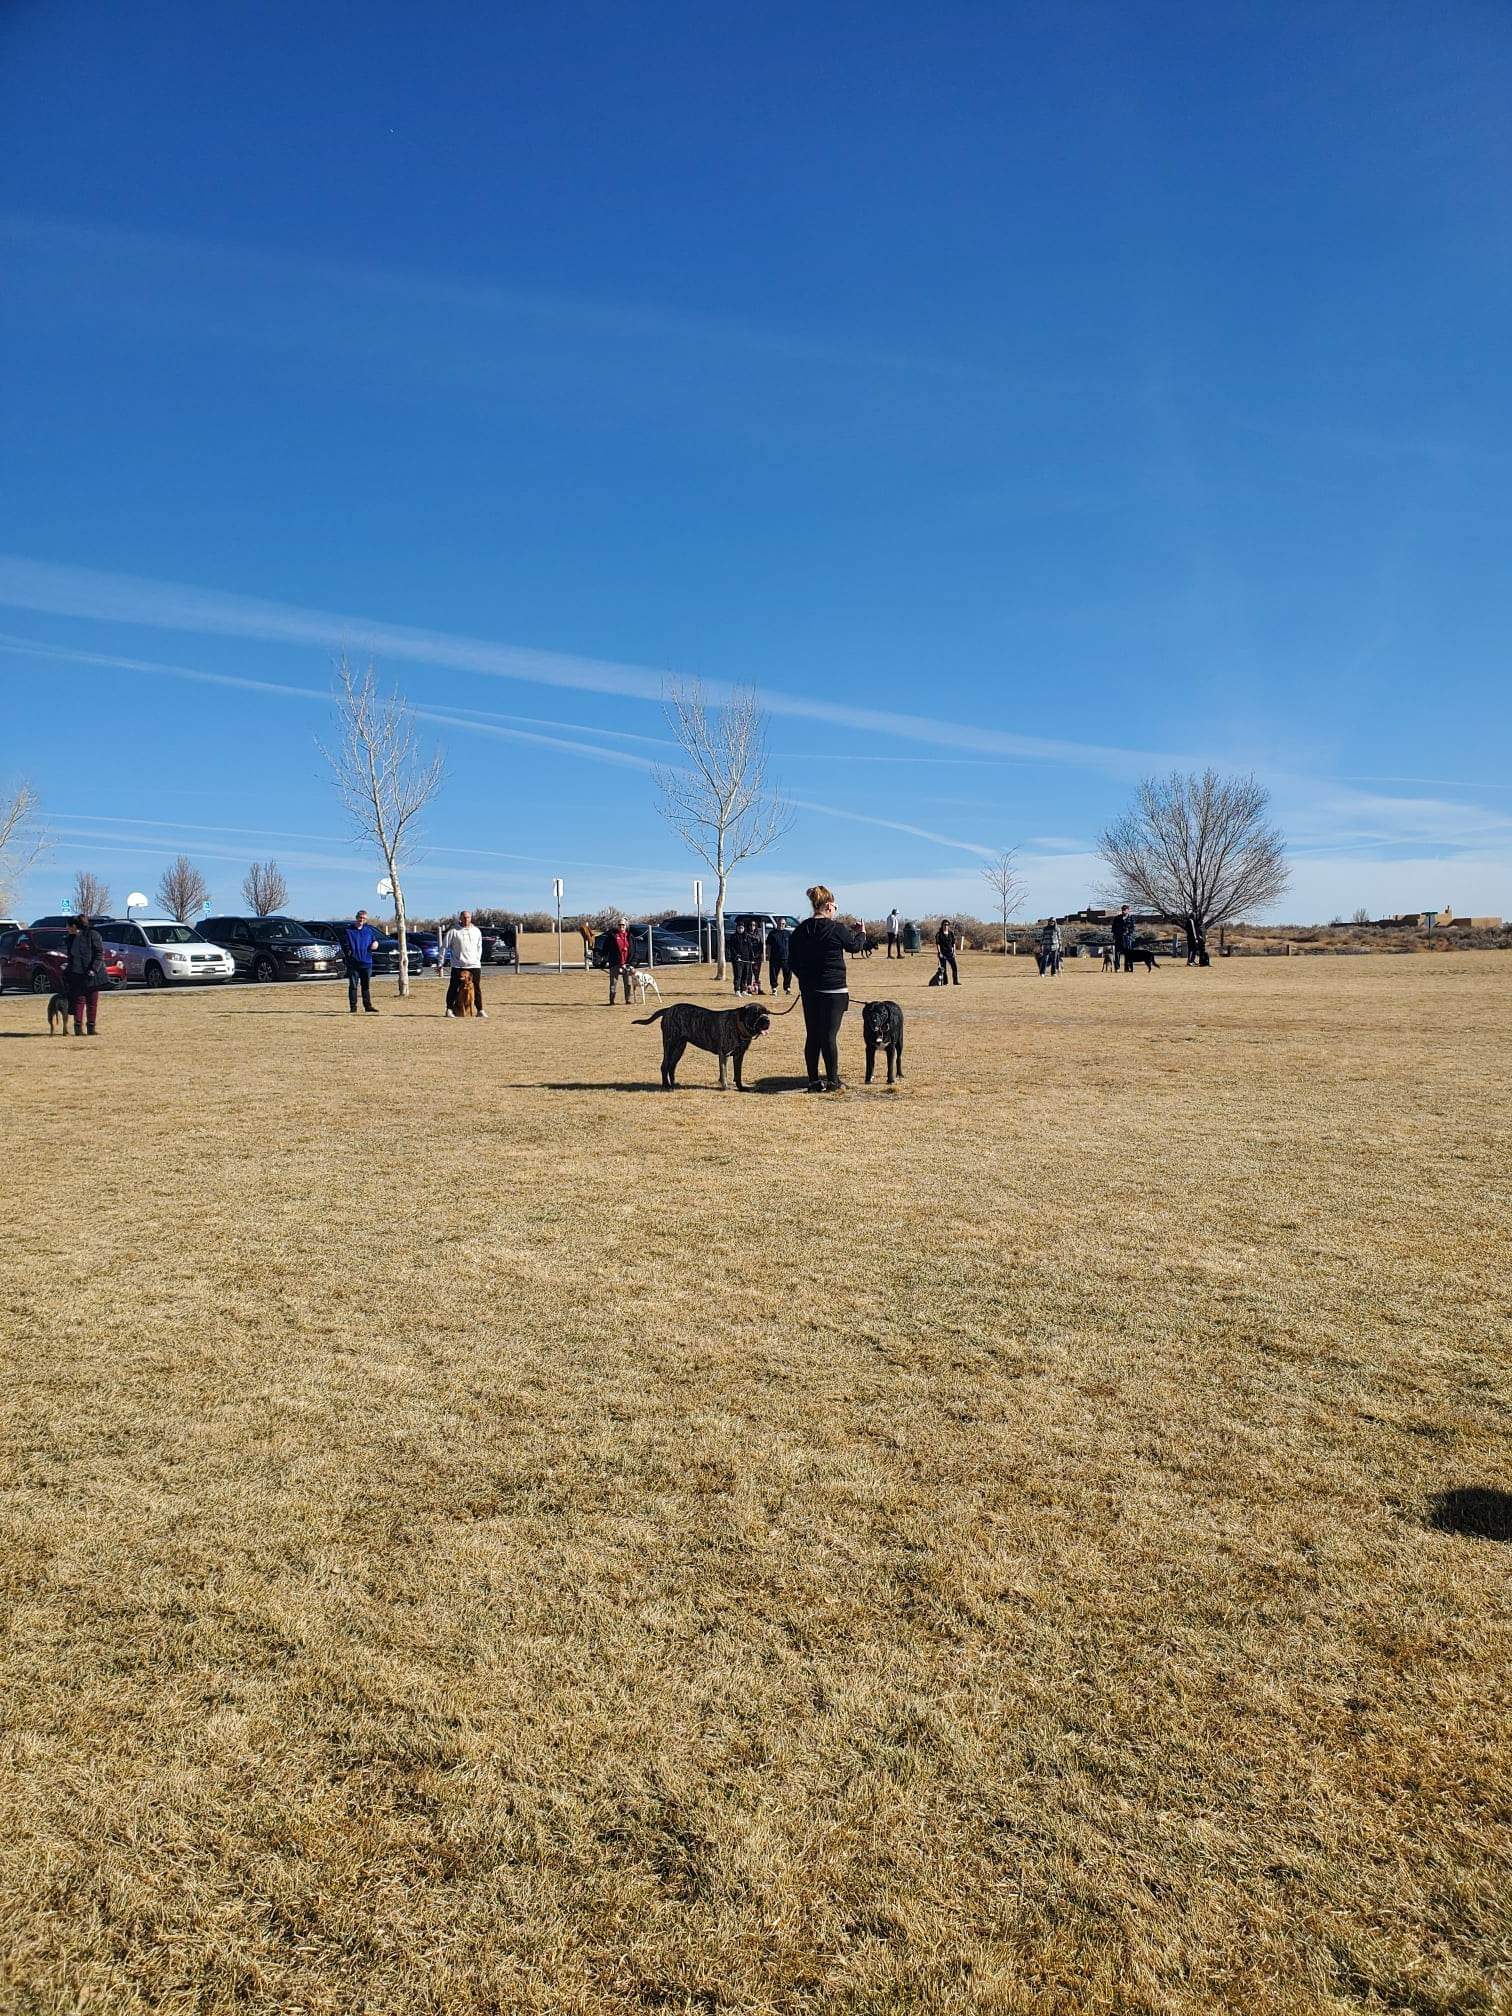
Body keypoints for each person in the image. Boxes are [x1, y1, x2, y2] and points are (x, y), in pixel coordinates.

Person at [788, 883, 867, 1093]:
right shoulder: (837, 928)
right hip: (834, 990)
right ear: (829, 906)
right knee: (829, 1035)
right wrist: (862, 933)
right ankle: (832, 1081)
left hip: (810, 991)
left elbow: (792, 960)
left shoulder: (800, 930)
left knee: (813, 1034)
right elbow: (855, 947)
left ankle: (814, 1080)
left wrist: (804, 979)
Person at [64, 913, 107, 1037]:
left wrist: (93, 969)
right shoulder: (70, 939)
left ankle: (91, 1027)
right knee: (79, 1000)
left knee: (92, 1002)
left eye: (68, 926)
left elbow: (99, 954)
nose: (66, 928)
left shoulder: (93, 935)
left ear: (74, 926)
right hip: (77, 974)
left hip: (92, 974)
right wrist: (67, 970)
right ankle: (78, 1028)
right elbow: (71, 958)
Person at [443, 908, 487, 1018]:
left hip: (474, 964)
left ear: (471, 918)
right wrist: (441, 962)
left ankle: (480, 1010)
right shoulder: (454, 931)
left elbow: (479, 947)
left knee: (476, 987)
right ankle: (449, 1009)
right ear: (460, 918)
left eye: (468, 917)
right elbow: (444, 947)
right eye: (464, 917)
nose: (466, 919)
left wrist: (477, 959)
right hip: (458, 964)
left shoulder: (476, 931)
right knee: (454, 986)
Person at [341, 908, 381, 1014]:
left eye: (364, 918)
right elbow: (344, 944)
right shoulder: (349, 931)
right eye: (360, 917)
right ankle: (353, 1007)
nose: (361, 920)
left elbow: (374, 941)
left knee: (366, 985)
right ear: (356, 918)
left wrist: (375, 944)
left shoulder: (368, 930)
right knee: (353, 985)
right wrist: (349, 953)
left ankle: (368, 1006)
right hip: (354, 963)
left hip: (366, 963)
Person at [605, 917, 632, 1006]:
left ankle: (628, 999)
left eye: (623, 925)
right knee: (613, 983)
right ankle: (612, 1000)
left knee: (627, 983)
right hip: (615, 963)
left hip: (626, 964)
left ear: (626, 926)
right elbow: (605, 948)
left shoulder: (629, 936)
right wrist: (600, 956)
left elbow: (633, 950)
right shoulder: (613, 936)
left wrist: (632, 962)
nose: (621, 927)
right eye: (619, 925)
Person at [767, 916, 792, 995]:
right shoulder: (772, 933)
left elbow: (791, 945)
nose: (781, 925)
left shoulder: (788, 933)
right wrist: (768, 955)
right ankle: (774, 988)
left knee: (788, 973)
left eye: (783, 924)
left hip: (786, 957)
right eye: (780, 923)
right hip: (774, 958)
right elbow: (768, 946)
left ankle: (787, 987)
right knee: (773, 974)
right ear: (777, 923)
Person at [935, 917, 960, 985]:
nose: (946, 926)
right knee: (944, 968)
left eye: (947, 925)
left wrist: (954, 952)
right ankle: (945, 982)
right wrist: (939, 952)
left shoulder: (951, 933)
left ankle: (955, 981)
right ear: (942, 925)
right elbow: (938, 944)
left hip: (950, 953)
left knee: (954, 967)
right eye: (944, 925)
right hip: (942, 953)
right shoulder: (939, 934)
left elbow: (953, 944)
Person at [1111, 904, 1133, 974]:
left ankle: (1127, 968)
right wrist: (1115, 934)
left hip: (1127, 939)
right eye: (1122, 910)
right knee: (1117, 953)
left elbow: (1132, 928)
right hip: (1118, 938)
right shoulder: (1117, 918)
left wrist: (1128, 933)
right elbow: (1113, 928)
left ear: (1128, 910)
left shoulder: (1131, 918)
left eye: (1125, 910)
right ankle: (1117, 968)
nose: (1123, 911)